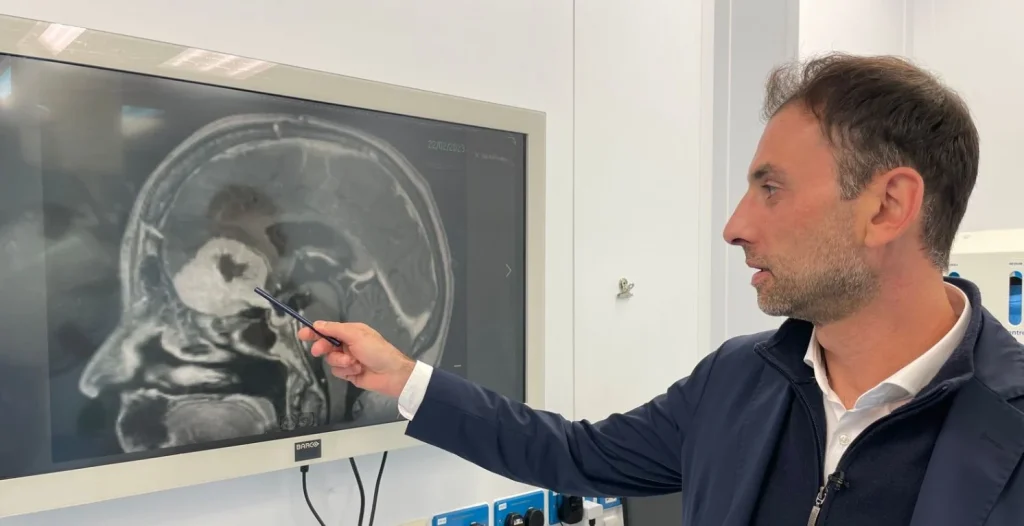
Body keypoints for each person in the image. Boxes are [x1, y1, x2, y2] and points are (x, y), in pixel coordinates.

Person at [298, 53, 1024, 525]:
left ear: (889, 206)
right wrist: (402, 377)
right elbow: (573, 454)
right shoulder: (736, 380)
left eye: (771, 189)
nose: (735, 227)